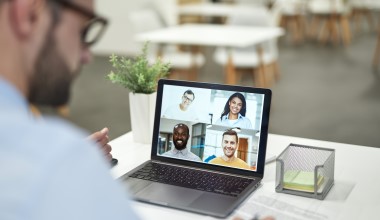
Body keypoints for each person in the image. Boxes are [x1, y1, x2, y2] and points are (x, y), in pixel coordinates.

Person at [0, 0, 138, 219]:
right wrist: (69, 164)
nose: (87, 56)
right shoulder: (56, 165)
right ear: (28, 14)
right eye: (84, 31)